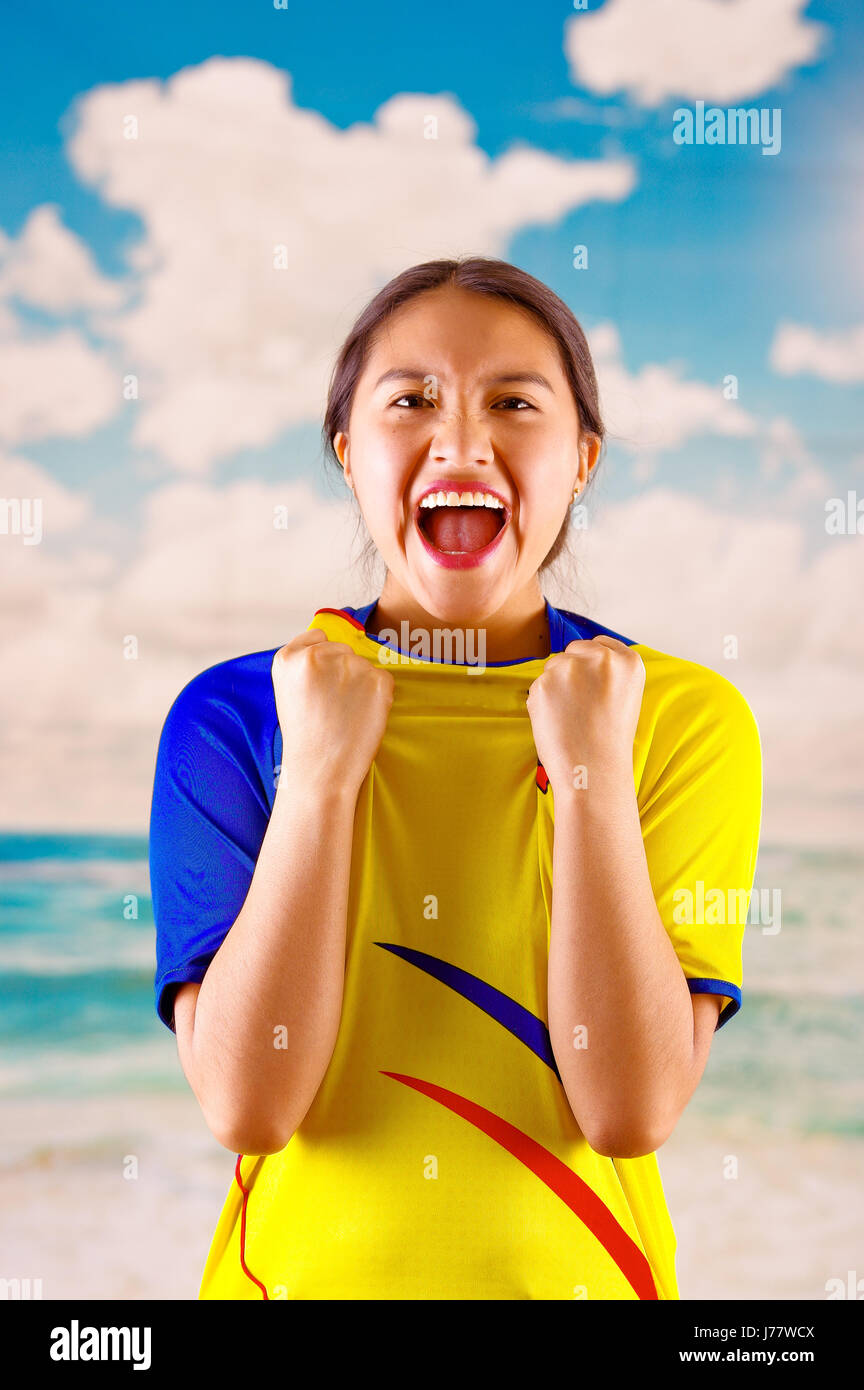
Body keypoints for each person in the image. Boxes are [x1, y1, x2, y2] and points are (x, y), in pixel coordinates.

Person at [149, 256, 762, 1300]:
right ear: (351, 455)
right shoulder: (236, 716)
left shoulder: (683, 718)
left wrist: (589, 777)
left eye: (515, 402)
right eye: (412, 400)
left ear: (581, 459)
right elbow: (249, 1106)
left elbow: (628, 1107)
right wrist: (321, 782)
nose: (464, 440)